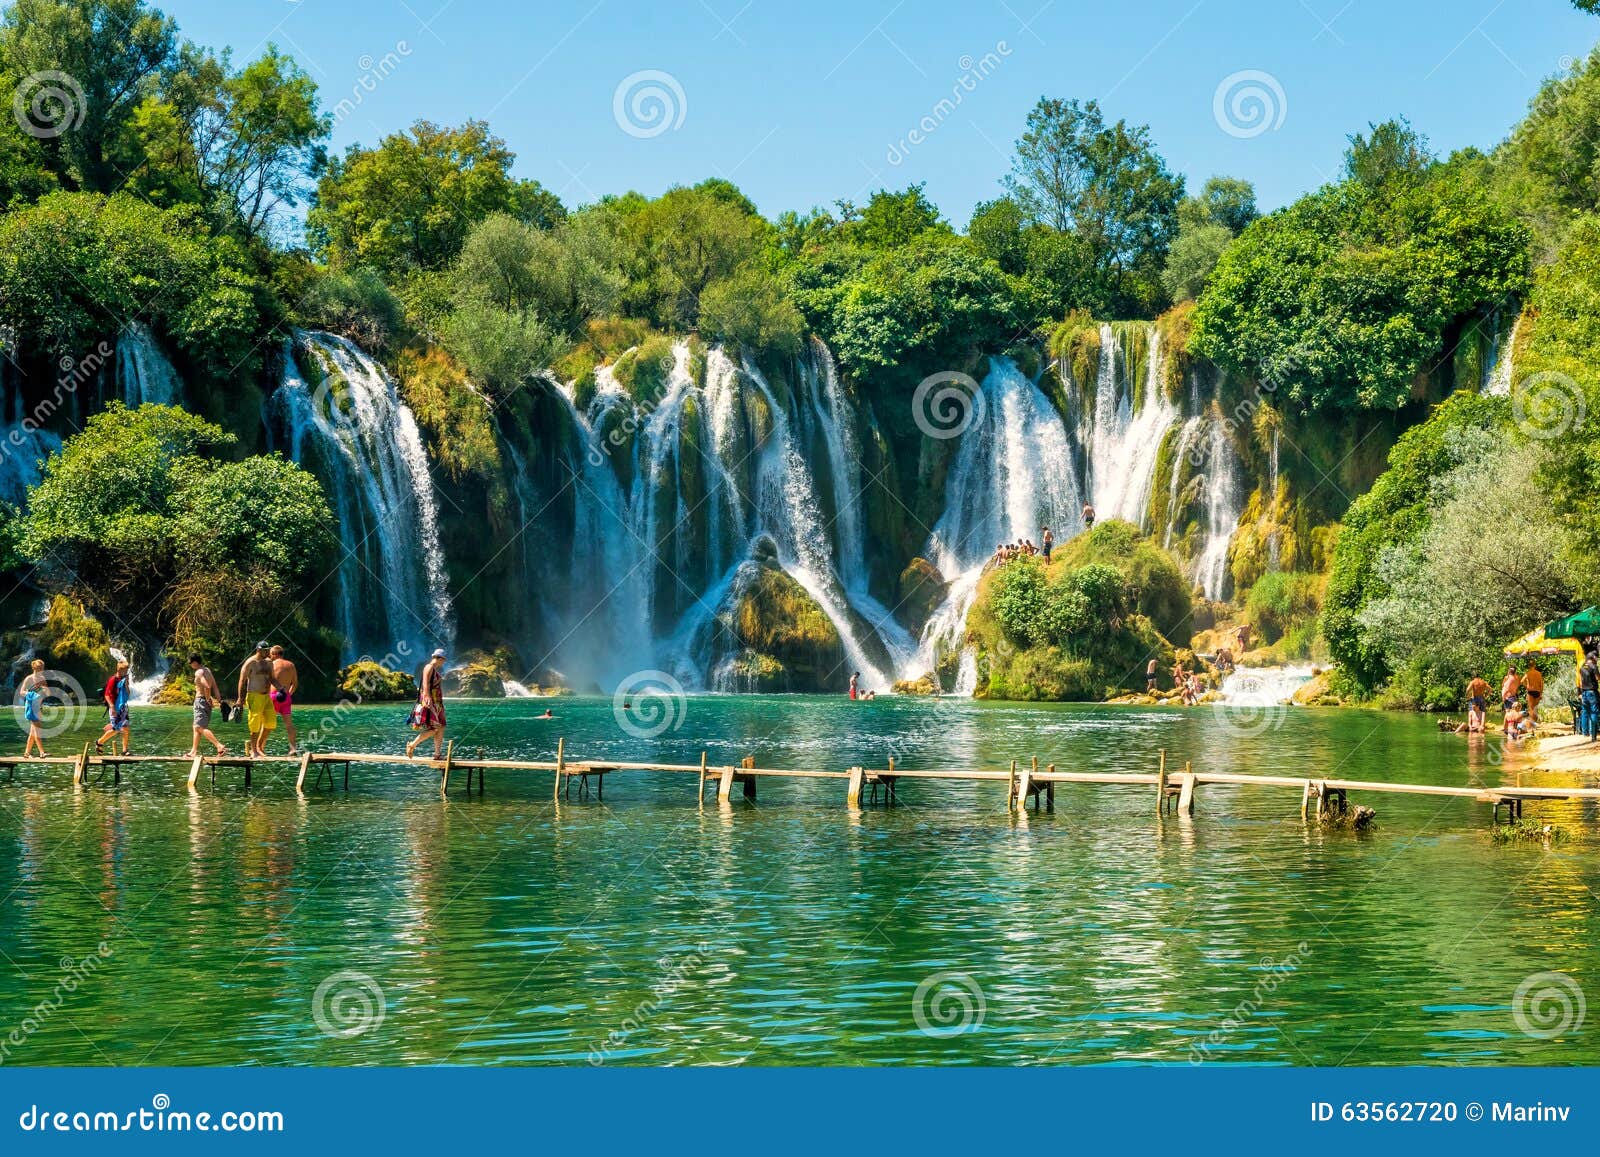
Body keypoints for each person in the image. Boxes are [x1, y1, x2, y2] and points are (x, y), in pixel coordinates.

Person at [236, 642, 278, 758]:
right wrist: (240, 699)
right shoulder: (251, 662)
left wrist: (281, 689)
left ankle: (259, 747)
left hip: (266, 696)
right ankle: (254, 751)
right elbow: (242, 681)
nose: (267, 652)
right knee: (255, 725)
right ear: (258, 650)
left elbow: (273, 679)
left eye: (268, 649)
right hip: (254, 696)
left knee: (271, 723)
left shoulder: (269, 662)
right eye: (265, 650)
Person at [407, 648, 449, 759]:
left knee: (441, 727)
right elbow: (425, 683)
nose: (444, 662)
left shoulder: (434, 669)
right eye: (443, 660)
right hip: (431, 701)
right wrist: (427, 696)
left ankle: (437, 754)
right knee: (434, 728)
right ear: (439, 658)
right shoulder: (429, 667)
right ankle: (412, 745)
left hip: (437, 703)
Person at [186, 654, 227, 757]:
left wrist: (208, 699)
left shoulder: (199, 672)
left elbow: (207, 686)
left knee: (199, 727)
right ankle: (193, 751)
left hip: (201, 701)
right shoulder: (207, 670)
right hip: (206, 702)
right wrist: (219, 700)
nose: (190, 665)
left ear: (195, 662)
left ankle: (219, 746)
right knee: (196, 727)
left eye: (190, 663)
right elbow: (215, 687)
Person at [95, 660, 132, 754]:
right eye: (125, 671)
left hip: (122, 707)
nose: (126, 672)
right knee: (116, 729)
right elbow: (107, 695)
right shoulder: (113, 679)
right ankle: (99, 742)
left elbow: (128, 694)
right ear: (120, 670)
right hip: (114, 707)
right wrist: (112, 707)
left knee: (126, 728)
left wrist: (127, 684)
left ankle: (125, 750)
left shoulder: (123, 680)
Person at [269, 645, 300, 755]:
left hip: (273, 695)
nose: (270, 656)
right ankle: (293, 748)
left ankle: (259, 748)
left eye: (271, 654)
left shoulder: (271, 664)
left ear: (275, 654)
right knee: (289, 724)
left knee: (266, 723)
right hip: (285, 696)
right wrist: (289, 694)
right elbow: (295, 683)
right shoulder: (291, 665)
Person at [20, 659, 48, 758]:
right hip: (31, 706)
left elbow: (48, 693)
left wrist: (44, 689)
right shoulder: (29, 679)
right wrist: (30, 693)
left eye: (42, 668)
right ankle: (42, 752)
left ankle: (27, 753)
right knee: (37, 730)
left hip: (39, 706)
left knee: (33, 732)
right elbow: (21, 692)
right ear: (34, 668)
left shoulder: (42, 679)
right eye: (39, 668)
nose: (41, 670)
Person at [1581, 652, 1599, 742]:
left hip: (1584, 693)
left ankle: (1585, 733)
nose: (1597, 659)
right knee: (1594, 712)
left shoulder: (1582, 666)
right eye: (1596, 657)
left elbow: (1581, 680)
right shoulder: (1594, 666)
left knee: (1585, 712)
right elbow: (1597, 678)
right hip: (1592, 692)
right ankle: (1593, 735)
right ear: (1593, 657)